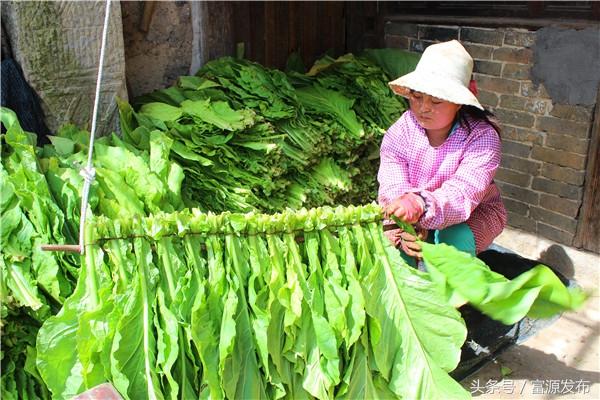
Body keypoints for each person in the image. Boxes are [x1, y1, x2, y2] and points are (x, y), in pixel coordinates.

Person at [378, 40, 507, 266]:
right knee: (400, 247)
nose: (423, 107)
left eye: (436, 100)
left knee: (453, 241)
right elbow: (392, 179)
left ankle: (457, 299)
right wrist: (404, 216)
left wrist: (421, 206)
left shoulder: (482, 137)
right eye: (417, 97)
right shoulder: (402, 130)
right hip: (414, 212)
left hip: (472, 214)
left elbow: (463, 192)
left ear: (459, 102)